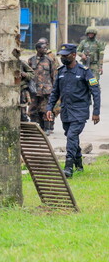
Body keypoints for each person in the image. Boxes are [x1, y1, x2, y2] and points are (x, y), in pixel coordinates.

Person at [46, 43, 101, 178]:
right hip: (66, 111)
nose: (63, 58)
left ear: (74, 55)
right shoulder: (61, 71)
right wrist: (49, 108)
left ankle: (68, 167)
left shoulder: (85, 71)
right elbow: (55, 92)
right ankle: (79, 164)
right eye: (61, 56)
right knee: (71, 136)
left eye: (66, 56)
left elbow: (96, 92)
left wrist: (96, 112)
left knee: (71, 136)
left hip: (79, 111)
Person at [28, 41, 58, 133]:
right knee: (33, 109)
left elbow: (54, 75)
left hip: (46, 90)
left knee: (46, 109)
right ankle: (35, 128)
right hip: (34, 90)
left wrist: (55, 89)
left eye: (46, 48)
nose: (45, 50)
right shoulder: (31, 60)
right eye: (43, 48)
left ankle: (47, 128)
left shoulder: (49, 60)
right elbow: (28, 74)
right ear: (38, 49)